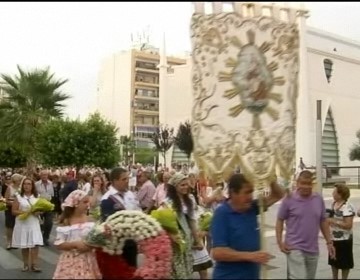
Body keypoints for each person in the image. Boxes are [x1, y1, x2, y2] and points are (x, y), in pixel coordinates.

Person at [211, 173, 284, 279]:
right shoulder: (222, 213)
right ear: (233, 192)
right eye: (246, 192)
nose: (250, 196)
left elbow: (278, 195)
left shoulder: (252, 207)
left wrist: (269, 176)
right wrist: (251, 256)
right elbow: (218, 253)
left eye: (252, 191)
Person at [276, 170, 336, 279]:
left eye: (308, 183)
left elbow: (323, 221)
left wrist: (329, 242)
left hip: (313, 248)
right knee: (299, 277)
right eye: (303, 183)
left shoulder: (318, 199)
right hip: (294, 247)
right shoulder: (289, 199)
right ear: (297, 183)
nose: (306, 186)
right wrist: (280, 242)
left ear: (312, 184)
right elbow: (280, 220)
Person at [97, 167, 141, 279]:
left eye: (128, 178)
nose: (127, 181)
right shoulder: (107, 199)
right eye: (124, 179)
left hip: (131, 241)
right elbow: (108, 222)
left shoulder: (130, 195)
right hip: (116, 244)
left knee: (131, 271)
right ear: (115, 181)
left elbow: (138, 212)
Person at [161, 173, 203, 279]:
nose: (185, 187)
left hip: (187, 240)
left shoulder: (190, 200)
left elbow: (192, 221)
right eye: (182, 185)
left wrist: (198, 240)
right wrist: (172, 235)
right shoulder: (167, 203)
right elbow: (163, 223)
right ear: (175, 187)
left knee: (187, 268)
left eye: (186, 184)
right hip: (175, 241)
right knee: (176, 270)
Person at [53, 190, 101, 279]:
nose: (88, 205)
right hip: (71, 260)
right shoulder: (67, 221)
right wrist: (75, 244)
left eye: (88, 202)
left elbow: (96, 238)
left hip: (88, 258)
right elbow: (59, 244)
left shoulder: (90, 219)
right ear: (76, 203)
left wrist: (94, 243)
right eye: (85, 202)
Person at [11, 177, 43, 272]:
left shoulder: (37, 197)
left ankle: (34, 264)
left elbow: (41, 210)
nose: (26, 186)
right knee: (24, 244)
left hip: (33, 223)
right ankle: (25, 264)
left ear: (32, 186)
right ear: (22, 185)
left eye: (29, 184)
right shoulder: (18, 197)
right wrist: (26, 212)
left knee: (35, 244)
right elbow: (13, 211)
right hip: (22, 223)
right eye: (25, 184)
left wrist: (38, 212)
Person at [327, 183, 355, 280]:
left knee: (344, 262)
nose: (332, 193)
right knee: (333, 260)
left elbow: (348, 225)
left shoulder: (347, 207)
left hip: (344, 239)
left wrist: (333, 221)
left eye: (334, 192)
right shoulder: (334, 204)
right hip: (333, 238)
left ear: (340, 194)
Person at [35, 170, 54, 246]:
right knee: (39, 223)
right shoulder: (36, 184)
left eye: (45, 175)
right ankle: (39, 238)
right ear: (40, 176)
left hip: (48, 205)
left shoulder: (51, 183)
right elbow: (35, 194)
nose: (44, 176)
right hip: (39, 205)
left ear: (47, 176)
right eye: (43, 175)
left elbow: (52, 194)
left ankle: (45, 237)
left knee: (49, 222)